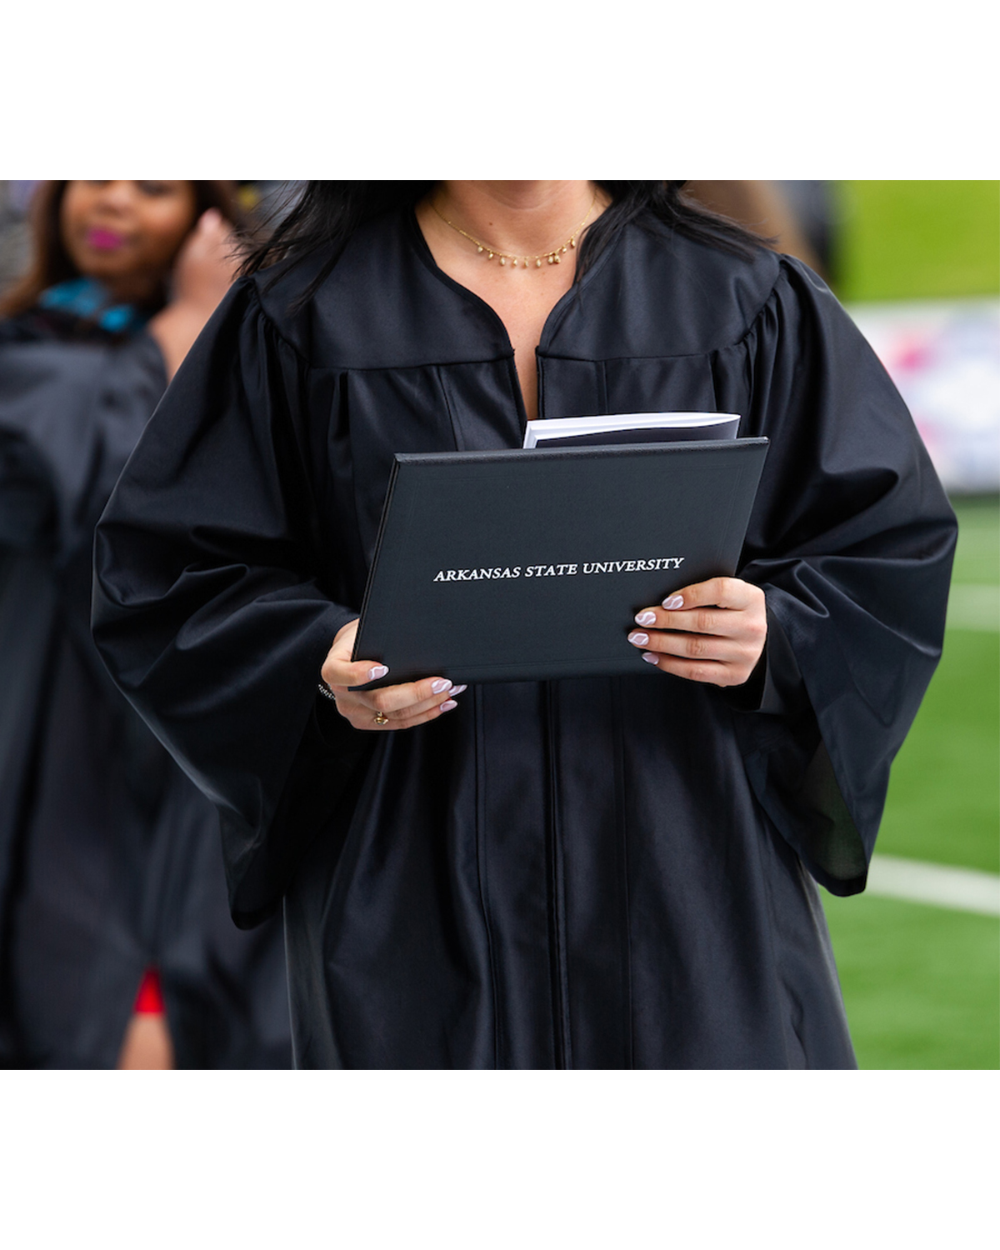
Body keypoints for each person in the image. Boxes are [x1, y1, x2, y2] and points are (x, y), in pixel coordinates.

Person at [92, 181, 956, 1069]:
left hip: (690, 866)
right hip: (412, 866)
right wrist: (313, 656)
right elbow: (171, 574)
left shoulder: (741, 295)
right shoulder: (302, 312)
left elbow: (882, 548)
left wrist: (775, 631)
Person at [0, 180, 292, 1069]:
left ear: (208, 215)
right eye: (93, 175)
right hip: (60, 725)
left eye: (154, 187)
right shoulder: (29, 344)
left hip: (197, 731)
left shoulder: (264, 357)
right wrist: (183, 331)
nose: (113, 201)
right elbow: (107, 521)